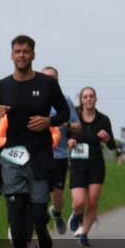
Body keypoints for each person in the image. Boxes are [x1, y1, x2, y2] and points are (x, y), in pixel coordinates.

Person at [0, 35, 70, 248]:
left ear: (33, 55)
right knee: (16, 212)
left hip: (40, 154)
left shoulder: (47, 84)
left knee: (37, 211)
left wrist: (49, 121)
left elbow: (63, 112)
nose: (21, 55)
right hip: (11, 155)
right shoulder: (2, 86)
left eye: (25, 51)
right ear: (11, 55)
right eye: (17, 51)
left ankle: (42, 228)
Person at [66, 87, 115, 247]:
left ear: (95, 99)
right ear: (81, 99)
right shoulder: (74, 118)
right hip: (78, 166)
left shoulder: (103, 120)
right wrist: (70, 142)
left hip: (96, 166)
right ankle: (76, 214)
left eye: (91, 96)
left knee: (93, 201)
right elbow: (64, 139)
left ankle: (84, 233)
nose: (88, 99)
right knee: (79, 202)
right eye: (85, 97)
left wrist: (107, 138)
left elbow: (113, 145)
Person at [42, 66, 81, 235]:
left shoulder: (65, 101)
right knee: (39, 193)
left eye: (53, 78)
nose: (50, 81)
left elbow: (78, 127)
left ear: (58, 81)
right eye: (46, 78)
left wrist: (67, 124)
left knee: (57, 195)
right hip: (39, 154)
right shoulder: (34, 100)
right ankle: (40, 226)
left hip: (60, 155)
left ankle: (57, 214)